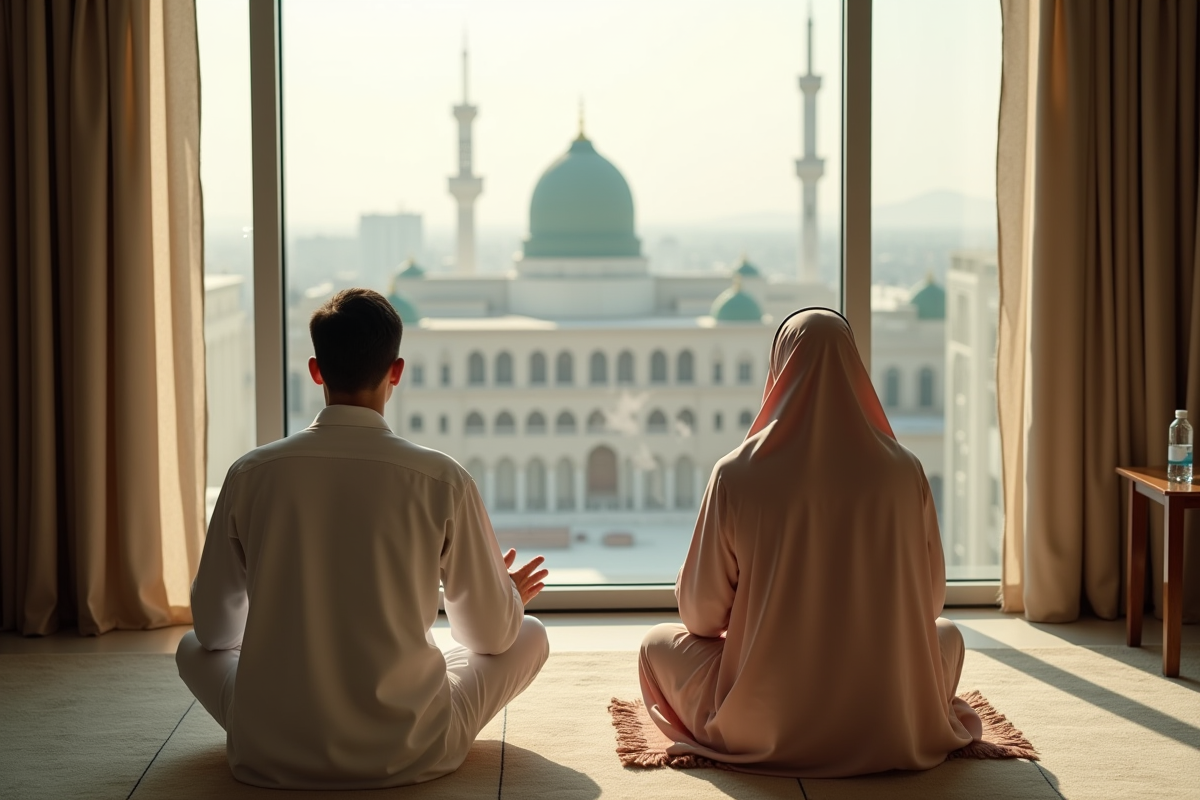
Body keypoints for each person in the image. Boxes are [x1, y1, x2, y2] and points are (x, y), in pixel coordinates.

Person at [176, 288, 549, 789]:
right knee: (529, 633)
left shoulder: (250, 473)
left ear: (316, 370)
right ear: (395, 371)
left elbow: (215, 632)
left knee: (189, 646)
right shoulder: (440, 477)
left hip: (268, 750)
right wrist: (504, 599)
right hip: (410, 749)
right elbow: (488, 637)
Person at [638, 307, 983, 778]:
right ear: (855, 371)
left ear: (779, 373)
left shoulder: (736, 475)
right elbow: (930, 605)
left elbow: (699, 617)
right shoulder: (905, 472)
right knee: (949, 638)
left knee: (655, 646)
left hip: (765, 721)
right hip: (889, 717)